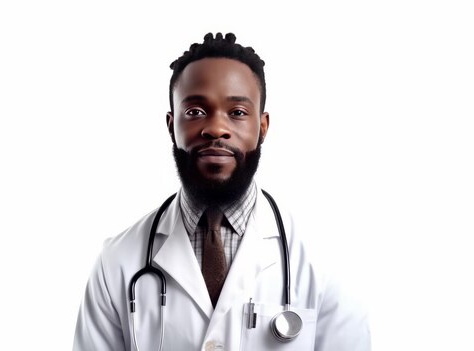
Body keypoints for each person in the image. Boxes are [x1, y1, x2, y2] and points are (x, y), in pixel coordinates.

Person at [73, 32, 371, 351]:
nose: (216, 128)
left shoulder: (324, 261)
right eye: (196, 112)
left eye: (238, 113)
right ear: (171, 125)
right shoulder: (117, 261)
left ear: (263, 126)